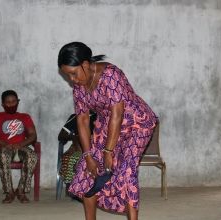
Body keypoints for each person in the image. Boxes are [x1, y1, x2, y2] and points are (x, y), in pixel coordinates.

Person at [57, 42, 158, 220]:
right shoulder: (79, 85)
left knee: (126, 170)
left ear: (86, 65)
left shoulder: (111, 75)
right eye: (67, 76)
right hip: (107, 124)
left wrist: (108, 151)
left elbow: (117, 114)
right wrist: (88, 155)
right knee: (88, 170)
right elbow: (82, 119)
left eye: (73, 74)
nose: (72, 80)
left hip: (136, 123)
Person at [0, 90, 38, 203]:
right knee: (2, 155)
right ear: (3, 104)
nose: (11, 104)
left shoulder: (25, 117)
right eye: (8, 102)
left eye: (14, 101)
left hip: (21, 147)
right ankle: (9, 192)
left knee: (32, 156)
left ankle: (21, 191)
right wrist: (3, 144)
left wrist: (21, 144)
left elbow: (33, 135)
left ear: (18, 102)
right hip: (4, 148)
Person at [58, 111, 97, 187]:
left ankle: (93, 188)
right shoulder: (75, 117)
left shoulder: (100, 116)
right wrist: (76, 137)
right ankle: (72, 188)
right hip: (78, 146)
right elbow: (61, 136)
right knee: (69, 158)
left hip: (97, 148)